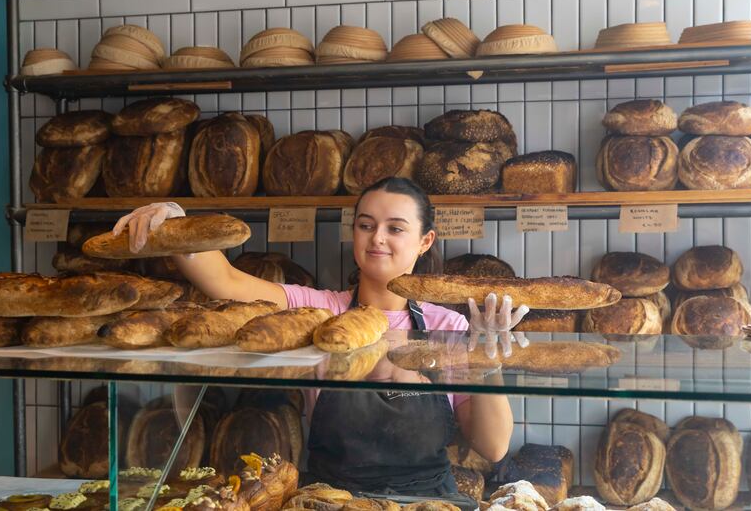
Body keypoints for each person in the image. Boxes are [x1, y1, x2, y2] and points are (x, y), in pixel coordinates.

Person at [114, 177, 529, 497]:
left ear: (425, 241)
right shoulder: (317, 312)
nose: (377, 238)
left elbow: (492, 446)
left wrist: (487, 357)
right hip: (332, 498)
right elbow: (223, 280)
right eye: (366, 225)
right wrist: (175, 221)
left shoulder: (449, 328)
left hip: (427, 500)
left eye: (395, 228)